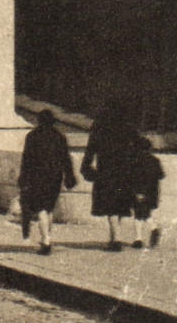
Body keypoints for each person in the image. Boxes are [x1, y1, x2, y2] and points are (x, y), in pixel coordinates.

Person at [16, 108, 76, 255]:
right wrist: (69, 176)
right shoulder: (59, 137)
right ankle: (48, 237)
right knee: (48, 208)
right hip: (55, 177)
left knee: (41, 208)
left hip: (37, 176)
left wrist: (23, 178)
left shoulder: (32, 136)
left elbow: (27, 159)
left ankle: (46, 241)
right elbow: (66, 159)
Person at [81, 110, 143, 251]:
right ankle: (114, 237)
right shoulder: (128, 128)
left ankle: (115, 239)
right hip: (124, 172)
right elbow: (139, 148)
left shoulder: (99, 129)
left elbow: (90, 152)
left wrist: (87, 170)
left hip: (106, 172)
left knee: (110, 207)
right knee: (119, 205)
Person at [129, 136, 164, 250]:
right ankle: (146, 234)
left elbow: (135, 178)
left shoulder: (136, 161)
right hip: (152, 192)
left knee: (138, 215)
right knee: (145, 213)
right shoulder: (155, 160)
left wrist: (138, 192)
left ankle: (141, 237)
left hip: (139, 191)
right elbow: (161, 175)